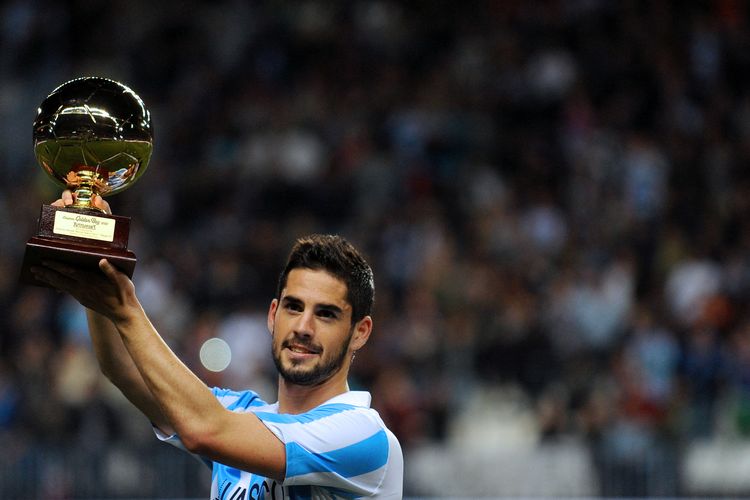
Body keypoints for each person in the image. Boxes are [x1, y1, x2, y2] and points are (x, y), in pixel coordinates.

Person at [32, 191, 404, 499]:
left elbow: (203, 429)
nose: (303, 327)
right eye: (293, 307)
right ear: (273, 315)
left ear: (360, 331)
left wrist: (127, 310)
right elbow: (123, 370)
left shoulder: (362, 436)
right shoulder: (238, 414)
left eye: (326, 314)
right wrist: (97, 268)